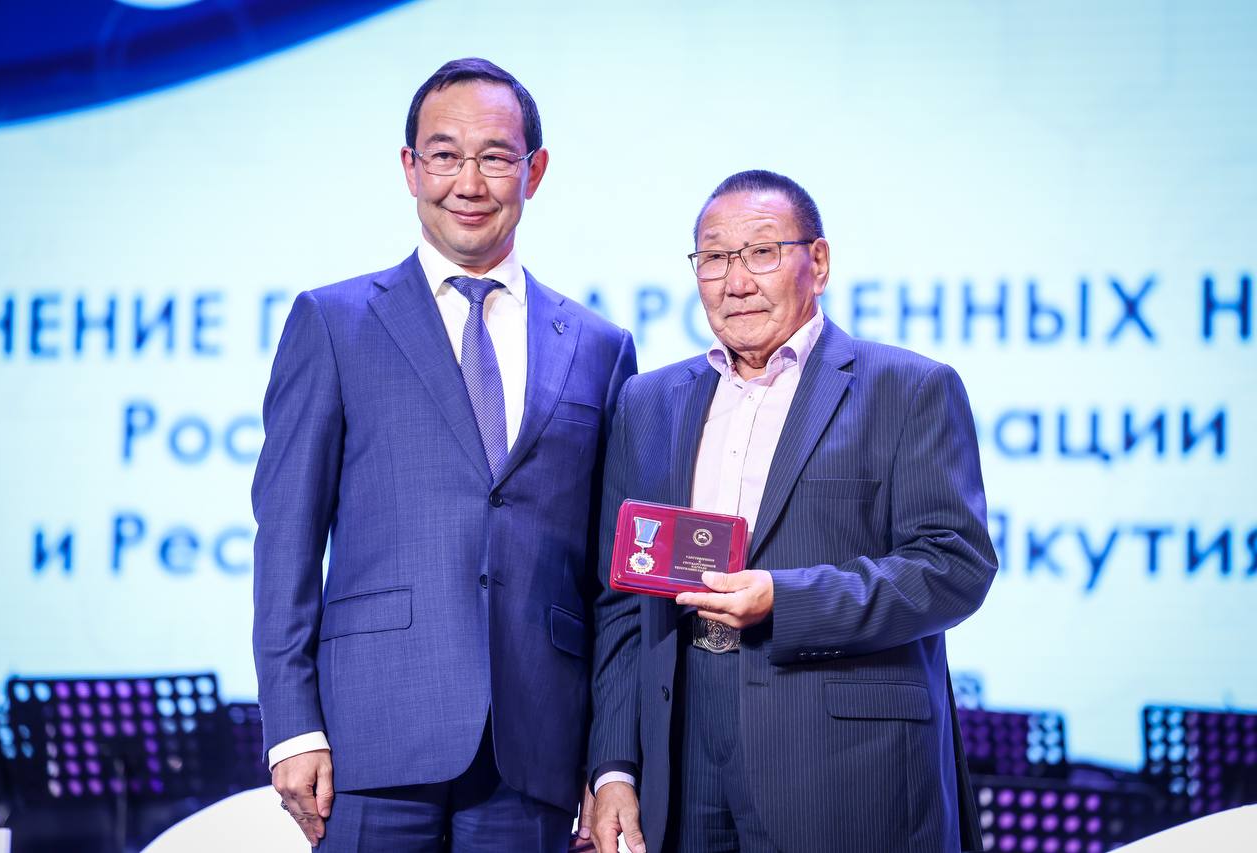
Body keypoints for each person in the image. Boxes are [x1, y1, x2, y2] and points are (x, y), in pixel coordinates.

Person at [252, 57, 635, 851]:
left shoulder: (599, 346)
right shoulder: (335, 321)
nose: (469, 181)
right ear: (410, 168)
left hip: (535, 746)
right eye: (444, 155)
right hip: (368, 741)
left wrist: (608, 762)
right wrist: (292, 723)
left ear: (534, 171)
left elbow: (610, 582)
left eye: (494, 156)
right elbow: (286, 537)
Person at [588, 170, 996, 853]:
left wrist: (786, 599)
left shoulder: (908, 388)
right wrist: (614, 769)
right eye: (714, 257)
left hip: (842, 763)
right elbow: (622, 602)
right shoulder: (648, 403)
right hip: (681, 757)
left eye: (761, 252)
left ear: (820, 263)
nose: (735, 281)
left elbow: (954, 566)